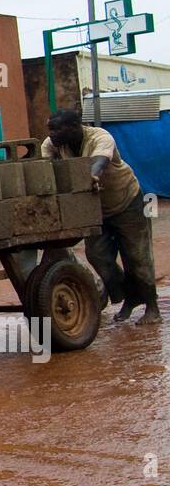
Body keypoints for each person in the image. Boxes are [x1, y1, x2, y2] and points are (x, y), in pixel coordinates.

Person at [42, 108, 160, 326]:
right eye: (50, 129)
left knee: (137, 256)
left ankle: (152, 307)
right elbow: (45, 170)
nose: (52, 134)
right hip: (95, 209)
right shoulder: (51, 145)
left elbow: (100, 161)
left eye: (57, 129)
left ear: (74, 127)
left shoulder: (100, 136)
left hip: (127, 201)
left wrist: (92, 176)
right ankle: (129, 295)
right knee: (97, 255)